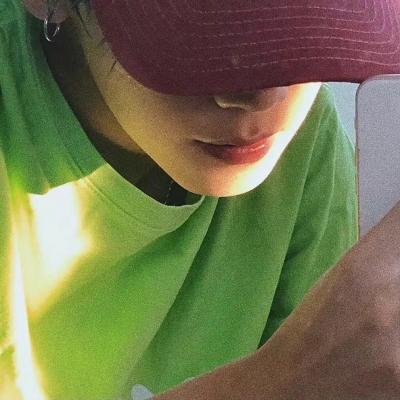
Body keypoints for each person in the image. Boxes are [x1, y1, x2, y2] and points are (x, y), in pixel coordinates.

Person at [0, 0, 399, 399]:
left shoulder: (304, 149)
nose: (264, 97)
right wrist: (281, 380)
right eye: (210, 36)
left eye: (304, 30)